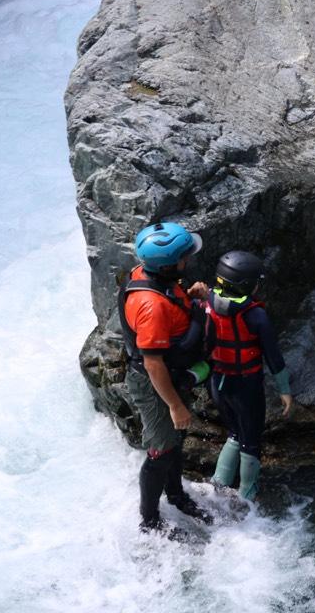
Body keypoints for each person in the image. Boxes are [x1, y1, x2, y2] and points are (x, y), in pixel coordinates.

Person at [118, 222, 214, 533]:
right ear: (168, 264)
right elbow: (153, 364)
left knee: (175, 442)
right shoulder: (152, 306)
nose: (188, 261)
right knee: (161, 450)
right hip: (156, 382)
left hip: (171, 374)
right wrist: (174, 405)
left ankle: (176, 495)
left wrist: (191, 296)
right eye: (184, 257)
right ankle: (149, 521)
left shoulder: (154, 277)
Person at [205, 250, 293, 502]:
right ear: (247, 285)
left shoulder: (206, 302)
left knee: (234, 431)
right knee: (251, 440)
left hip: (217, 382)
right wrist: (284, 390)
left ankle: (219, 484)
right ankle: (246, 496)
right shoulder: (256, 315)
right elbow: (273, 356)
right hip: (246, 386)